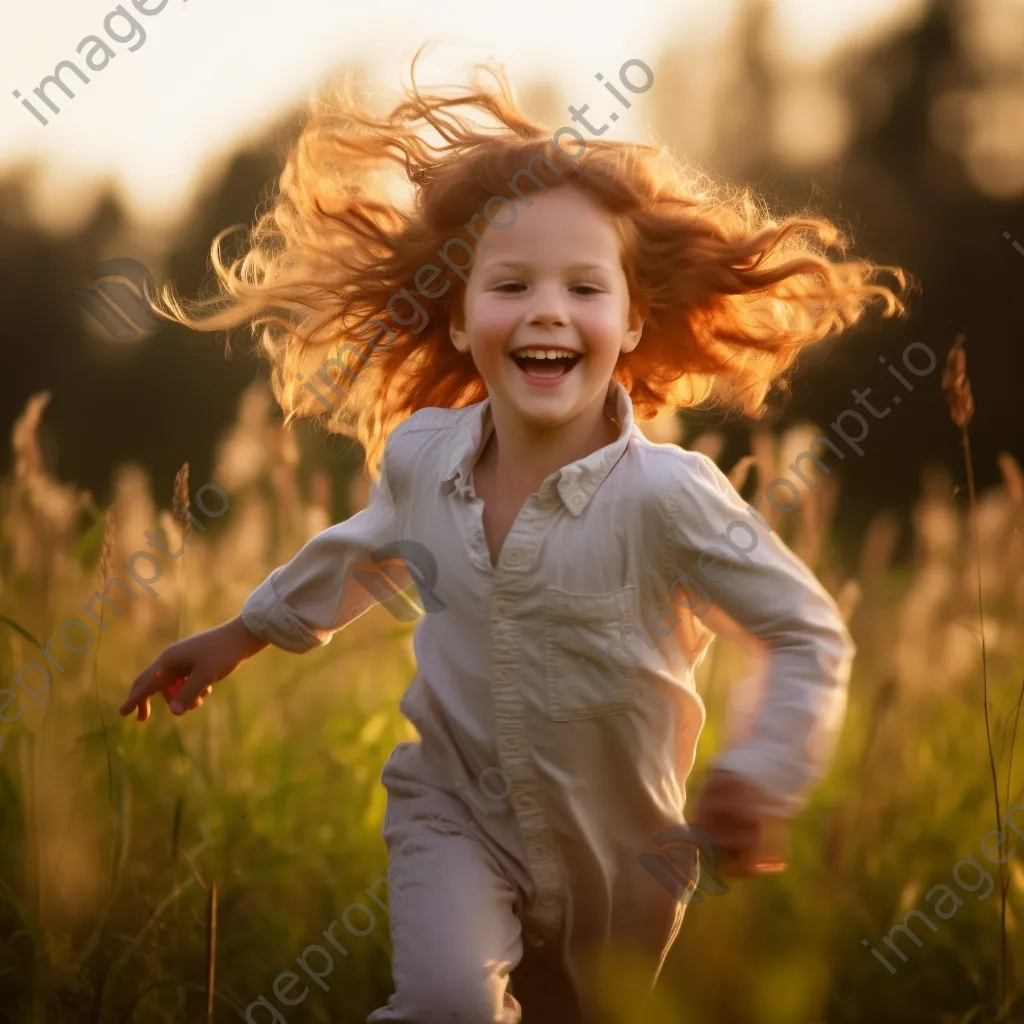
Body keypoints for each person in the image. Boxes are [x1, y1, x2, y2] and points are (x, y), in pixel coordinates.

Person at [119, 54, 907, 1024]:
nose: (547, 308)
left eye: (584, 288)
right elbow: (363, 553)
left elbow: (806, 633)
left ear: (630, 321)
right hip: (451, 814)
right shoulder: (421, 457)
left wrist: (761, 769)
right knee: (448, 1003)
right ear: (458, 316)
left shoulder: (670, 496)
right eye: (511, 285)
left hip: (627, 860)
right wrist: (237, 635)